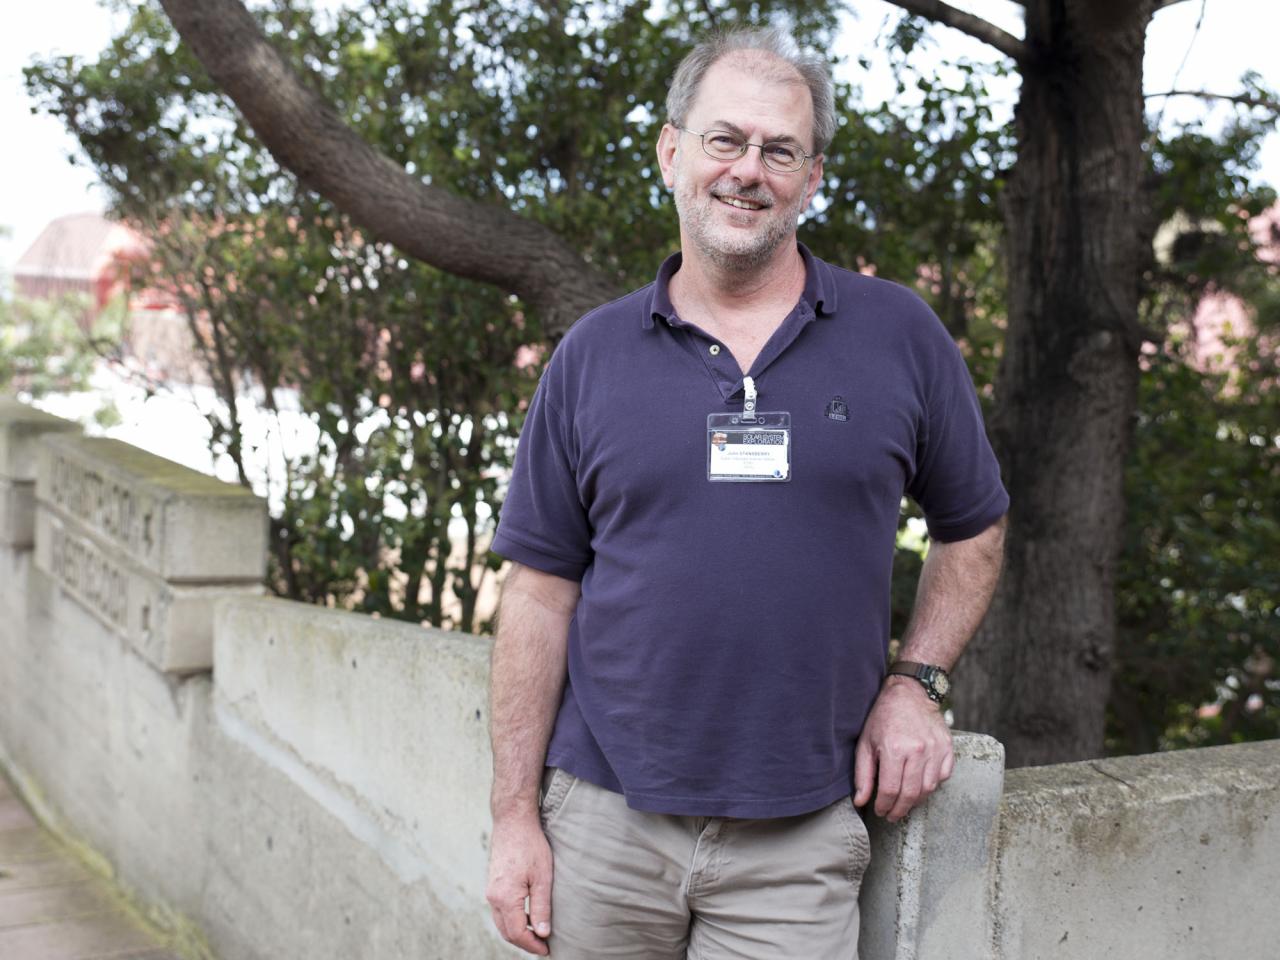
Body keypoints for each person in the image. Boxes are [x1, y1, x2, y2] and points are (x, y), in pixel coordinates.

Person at [484, 25, 1008, 960]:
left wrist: (916, 684)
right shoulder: (591, 358)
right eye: (725, 139)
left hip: (800, 834)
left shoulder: (898, 335)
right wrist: (514, 817)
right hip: (603, 823)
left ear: (812, 177)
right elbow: (537, 593)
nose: (747, 171)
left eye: (780, 150)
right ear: (671, 150)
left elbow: (973, 528)